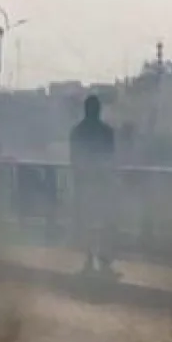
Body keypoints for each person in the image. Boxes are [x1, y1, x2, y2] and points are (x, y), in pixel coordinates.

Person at [69, 95, 119, 278]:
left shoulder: (77, 132)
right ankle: (104, 260)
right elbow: (111, 159)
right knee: (104, 223)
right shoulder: (107, 132)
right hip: (102, 183)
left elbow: (74, 159)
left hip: (84, 184)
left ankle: (89, 258)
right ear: (99, 110)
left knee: (87, 224)